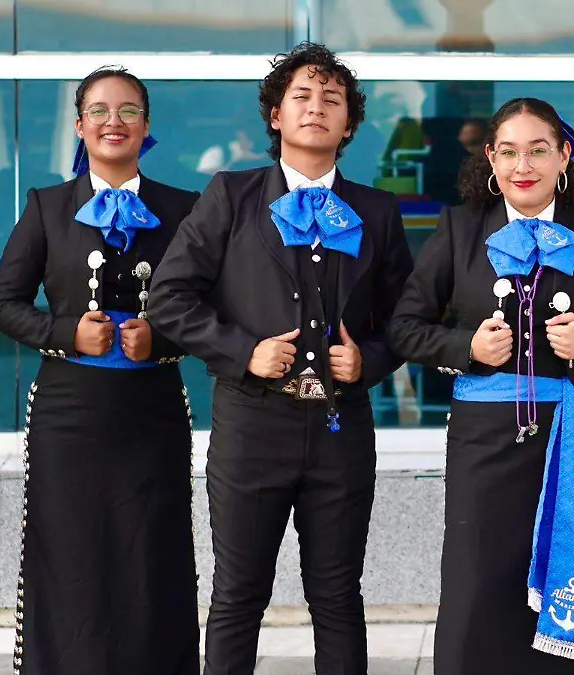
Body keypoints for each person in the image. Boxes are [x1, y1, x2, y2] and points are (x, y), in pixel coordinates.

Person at [148, 42, 414, 675]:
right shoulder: (230, 195)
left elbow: (407, 318)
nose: (316, 108)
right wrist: (246, 351)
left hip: (342, 426)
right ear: (276, 115)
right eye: (302, 96)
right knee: (238, 596)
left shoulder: (378, 209)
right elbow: (168, 297)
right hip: (251, 424)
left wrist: (370, 361)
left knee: (338, 597)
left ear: (349, 124)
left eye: (332, 99)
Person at [389, 97, 574, 674]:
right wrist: (466, 349)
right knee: (477, 584)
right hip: (482, 440)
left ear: (563, 157)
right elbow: (405, 328)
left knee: (566, 579)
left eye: (539, 150)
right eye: (510, 152)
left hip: (572, 437)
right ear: (491, 158)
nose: (524, 166)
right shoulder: (460, 228)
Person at [0, 67, 200, 675]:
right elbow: (2, 303)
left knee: (150, 551)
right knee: (70, 553)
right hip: (68, 410)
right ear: (80, 126)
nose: (114, 122)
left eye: (128, 110)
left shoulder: (184, 208)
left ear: (146, 125)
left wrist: (161, 339)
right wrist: (65, 334)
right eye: (99, 111)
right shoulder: (48, 206)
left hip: (152, 410)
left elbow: (214, 307)